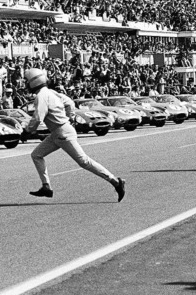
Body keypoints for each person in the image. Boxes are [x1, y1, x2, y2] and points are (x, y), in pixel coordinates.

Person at [25, 68, 125, 201]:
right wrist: (68, 117)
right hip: (60, 132)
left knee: (84, 161)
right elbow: (69, 103)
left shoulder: (41, 96)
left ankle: (116, 182)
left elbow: (38, 118)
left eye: (27, 81)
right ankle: (46, 186)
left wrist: (27, 131)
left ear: (33, 81)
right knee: (36, 155)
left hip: (62, 133)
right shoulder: (51, 92)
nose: (26, 84)